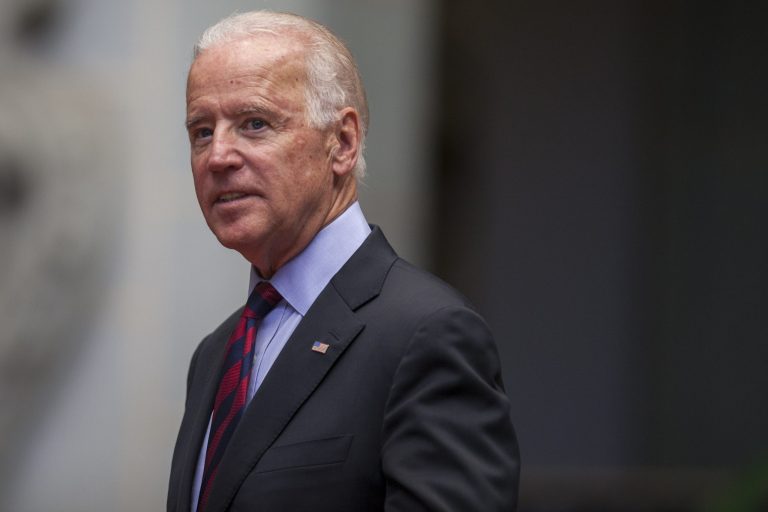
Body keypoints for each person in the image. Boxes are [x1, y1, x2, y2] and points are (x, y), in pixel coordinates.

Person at [167, 11, 519, 512]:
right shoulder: (215, 355)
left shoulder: (425, 334)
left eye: (255, 123)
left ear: (343, 143)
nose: (218, 155)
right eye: (202, 131)